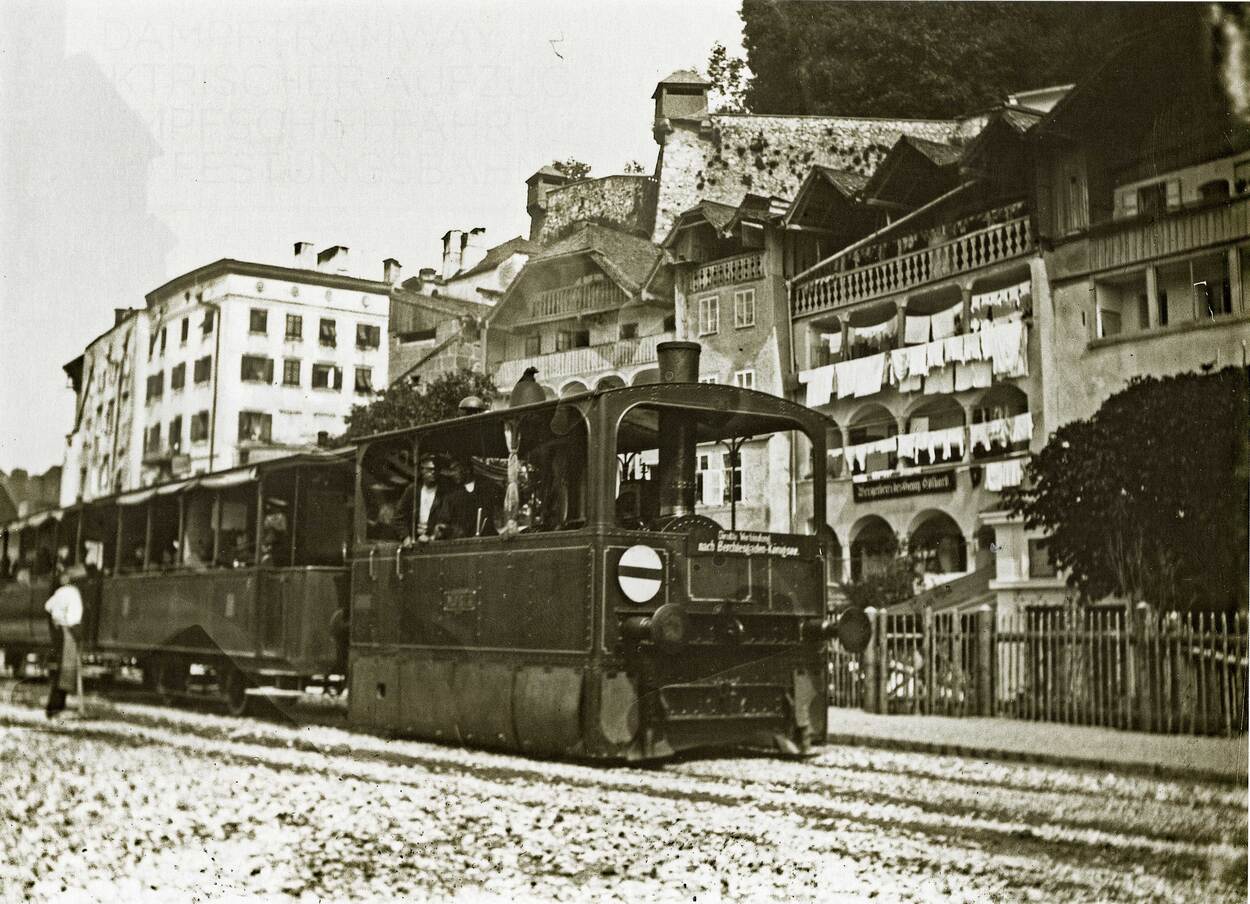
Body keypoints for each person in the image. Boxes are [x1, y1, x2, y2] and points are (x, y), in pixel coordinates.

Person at [44, 565, 85, 719]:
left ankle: (56, 707)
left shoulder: (61, 591)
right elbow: (74, 616)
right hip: (69, 630)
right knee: (66, 671)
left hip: (61, 629)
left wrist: (57, 617)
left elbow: (47, 606)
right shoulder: (73, 593)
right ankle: (54, 708)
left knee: (64, 670)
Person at [433, 459, 497, 540]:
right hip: (459, 543)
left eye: (456, 470)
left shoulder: (485, 490)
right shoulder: (451, 496)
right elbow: (444, 521)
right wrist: (442, 527)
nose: (453, 474)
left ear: (467, 470)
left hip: (485, 541)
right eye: (452, 470)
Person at [397, 455, 449, 543]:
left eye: (435, 470)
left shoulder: (445, 493)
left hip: (435, 543)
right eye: (429, 469)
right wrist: (405, 537)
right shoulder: (412, 490)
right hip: (413, 542)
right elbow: (398, 517)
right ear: (422, 470)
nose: (433, 472)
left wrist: (432, 537)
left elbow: (446, 520)